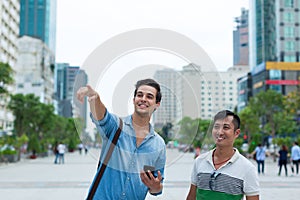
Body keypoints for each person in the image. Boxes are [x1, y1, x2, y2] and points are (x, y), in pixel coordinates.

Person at [77, 78, 166, 199]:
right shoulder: (116, 126)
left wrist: (156, 187)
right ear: (134, 100)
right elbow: (102, 116)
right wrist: (95, 98)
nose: (143, 99)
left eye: (149, 96)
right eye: (140, 95)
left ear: (157, 104)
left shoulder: (158, 145)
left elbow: (157, 186)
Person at [186, 110, 259, 200]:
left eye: (226, 127)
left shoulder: (247, 168)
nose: (219, 132)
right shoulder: (200, 161)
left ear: (236, 133)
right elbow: (191, 197)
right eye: (216, 127)